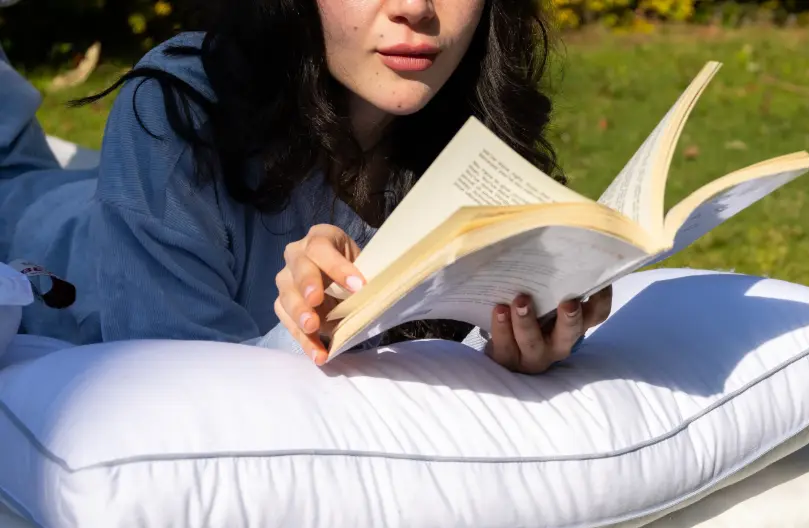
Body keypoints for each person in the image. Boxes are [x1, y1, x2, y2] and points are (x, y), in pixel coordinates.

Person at [0, 0, 612, 374]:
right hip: (34, 238)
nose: (415, 8)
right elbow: (177, 398)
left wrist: (514, 347)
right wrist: (313, 337)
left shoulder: (475, 144)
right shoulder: (178, 111)